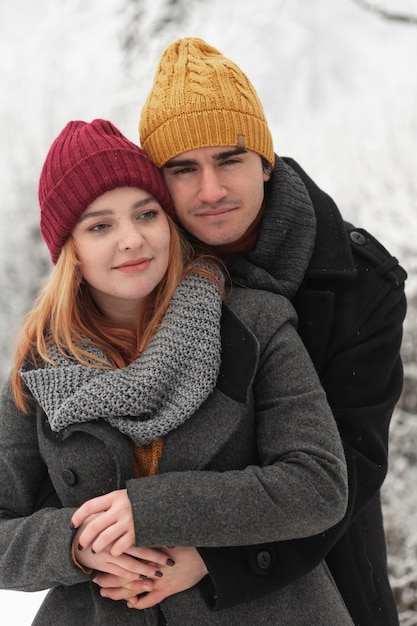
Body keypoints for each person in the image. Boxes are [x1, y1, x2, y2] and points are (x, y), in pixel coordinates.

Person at [0, 118, 353, 625]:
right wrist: (77, 545)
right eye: (100, 225)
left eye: (146, 214)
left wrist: (152, 509)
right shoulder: (41, 366)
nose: (131, 240)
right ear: (69, 250)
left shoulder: (250, 323)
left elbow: (317, 484)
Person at [111, 37, 406, 625]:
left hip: (322, 573)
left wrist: (222, 557)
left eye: (230, 159)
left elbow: (349, 466)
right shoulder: (134, 276)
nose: (211, 190)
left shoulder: (359, 285)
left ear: (265, 161)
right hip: (154, 592)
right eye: (184, 169)